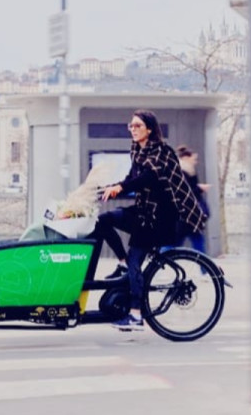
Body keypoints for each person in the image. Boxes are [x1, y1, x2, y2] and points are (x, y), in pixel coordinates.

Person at [87, 110, 207, 332]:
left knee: (136, 259)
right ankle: (122, 262)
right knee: (102, 221)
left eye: (137, 126)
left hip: (159, 219)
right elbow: (131, 179)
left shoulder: (162, 152)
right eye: (131, 126)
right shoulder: (137, 151)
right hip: (143, 211)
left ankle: (135, 315)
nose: (132, 129)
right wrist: (105, 190)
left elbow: (148, 178)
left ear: (149, 129)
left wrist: (121, 187)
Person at [174, 145, 210, 256]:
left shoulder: (187, 171)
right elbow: (185, 192)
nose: (195, 162)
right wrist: (200, 188)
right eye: (194, 159)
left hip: (189, 213)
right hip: (187, 213)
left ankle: (205, 263)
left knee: (193, 239)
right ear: (186, 158)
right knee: (191, 240)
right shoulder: (182, 172)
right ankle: (204, 263)